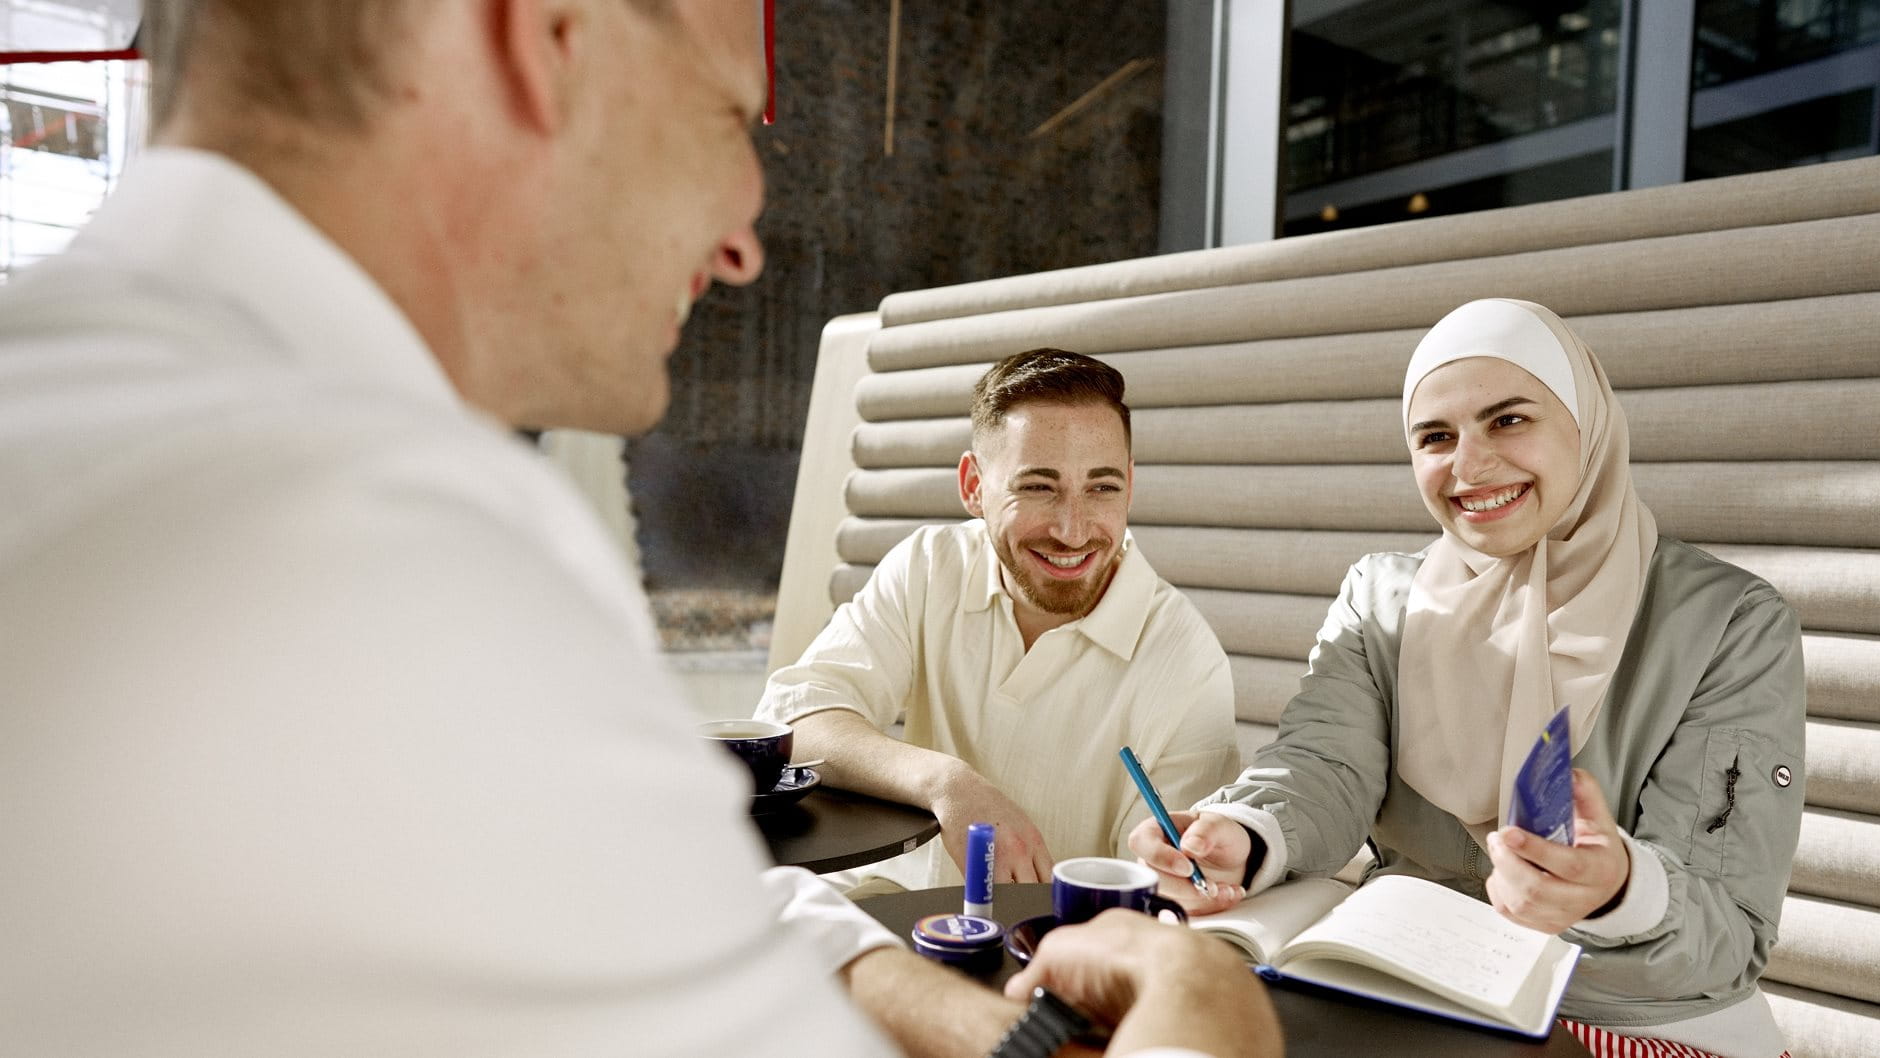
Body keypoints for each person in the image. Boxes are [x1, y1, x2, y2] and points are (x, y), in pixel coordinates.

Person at [0, 2, 1284, 1057]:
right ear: (539, 39)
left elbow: (646, 892)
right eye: (728, 114)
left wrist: (933, 1000)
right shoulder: (392, 547)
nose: (740, 242)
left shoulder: (88, 414)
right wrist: (1202, 1016)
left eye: (1102, 484)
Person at [1130, 298, 1805, 1058]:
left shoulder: (1728, 622)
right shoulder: (1383, 598)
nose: (1468, 465)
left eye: (1508, 420)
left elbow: (1728, 930)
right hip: (1411, 992)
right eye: (1436, 437)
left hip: (1626, 1026)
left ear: (1585, 425)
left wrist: (1620, 887)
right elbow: (1323, 765)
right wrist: (1243, 835)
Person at [758, 348, 1241, 893]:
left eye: (1102, 488)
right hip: (900, 910)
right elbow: (793, 720)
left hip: (1064, 937)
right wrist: (947, 782)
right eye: (1038, 487)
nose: (1073, 531)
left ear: (1129, 484)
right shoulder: (929, 566)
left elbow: (1163, 891)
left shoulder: (1189, 664)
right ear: (973, 486)